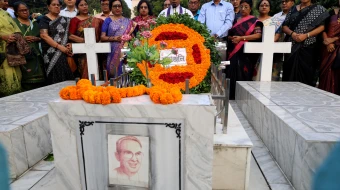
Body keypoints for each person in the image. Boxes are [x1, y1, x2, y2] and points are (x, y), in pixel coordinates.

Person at [282, 0, 329, 86]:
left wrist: (306, 35)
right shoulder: (293, 9)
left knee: (306, 75)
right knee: (288, 72)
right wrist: (292, 34)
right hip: (291, 46)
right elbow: (284, 26)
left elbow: (322, 27)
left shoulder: (319, 9)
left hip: (309, 47)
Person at [226, 0, 263, 100]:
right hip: (232, 51)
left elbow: (258, 35)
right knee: (231, 71)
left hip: (245, 53)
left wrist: (241, 39)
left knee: (243, 72)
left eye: (246, 7)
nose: (243, 9)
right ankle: (231, 96)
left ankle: (242, 97)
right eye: (241, 7)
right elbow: (229, 34)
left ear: (251, 9)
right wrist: (232, 38)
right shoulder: (235, 20)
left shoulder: (255, 21)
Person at [40, 0, 74, 84]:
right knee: (54, 77)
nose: (56, 6)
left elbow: (69, 35)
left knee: (67, 76)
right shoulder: (44, 19)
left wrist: (70, 44)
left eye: (58, 5)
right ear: (48, 7)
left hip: (65, 52)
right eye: (54, 5)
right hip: (50, 53)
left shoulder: (65, 20)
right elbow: (44, 36)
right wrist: (59, 47)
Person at [13, 2, 45, 91]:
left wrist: (37, 39)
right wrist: (22, 39)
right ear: (16, 12)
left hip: (36, 54)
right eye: (21, 10)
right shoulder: (14, 23)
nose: (25, 12)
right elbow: (10, 37)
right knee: (26, 83)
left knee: (40, 83)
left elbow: (43, 36)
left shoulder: (35, 22)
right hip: (22, 56)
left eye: (26, 10)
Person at [69, 0, 103, 79]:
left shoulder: (96, 20)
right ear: (77, 8)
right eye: (81, 5)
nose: (84, 6)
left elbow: (101, 35)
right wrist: (87, 41)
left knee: (97, 72)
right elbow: (70, 36)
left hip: (95, 50)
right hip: (82, 52)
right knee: (84, 74)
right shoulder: (74, 20)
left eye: (86, 4)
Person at [101, 0, 135, 78]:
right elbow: (102, 37)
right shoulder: (108, 20)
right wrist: (115, 38)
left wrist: (129, 38)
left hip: (126, 50)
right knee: (114, 74)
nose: (117, 8)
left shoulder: (129, 21)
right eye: (114, 6)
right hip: (112, 50)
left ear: (122, 8)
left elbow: (132, 36)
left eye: (119, 6)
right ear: (111, 8)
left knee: (126, 72)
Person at [0, 0, 22, 97]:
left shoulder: (5, 13)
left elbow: (16, 28)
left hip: (12, 50)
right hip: (1, 52)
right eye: (3, 0)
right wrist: (3, 36)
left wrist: (17, 36)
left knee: (17, 77)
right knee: (6, 78)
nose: (6, 2)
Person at [271, 0, 295, 81]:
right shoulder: (276, 17)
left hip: (292, 48)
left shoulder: (296, 15)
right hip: (277, 49)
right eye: (282, 1)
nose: (284, 3)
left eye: (287, 1)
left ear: (292, 2)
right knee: (275, 74)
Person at [319, 7, 340, 95]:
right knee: (326, 73)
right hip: (327, 48)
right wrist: (327, 41)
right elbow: (323, 28)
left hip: (338, 49)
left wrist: (334, 39)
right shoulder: (331, 12)